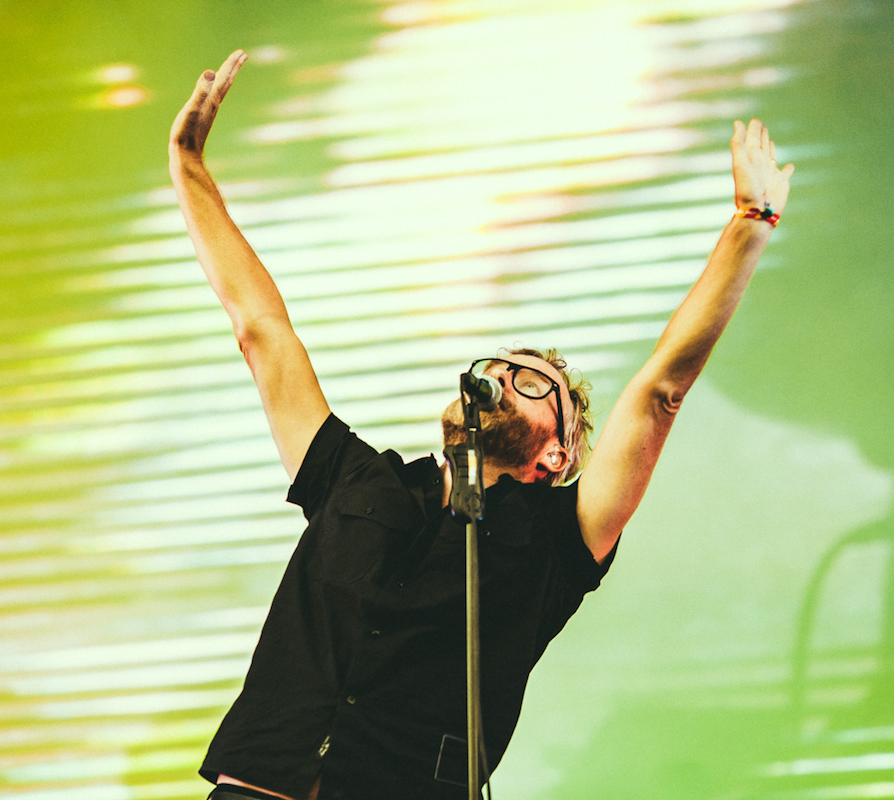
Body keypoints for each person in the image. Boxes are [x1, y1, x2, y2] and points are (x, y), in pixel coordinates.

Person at [170, 49, 794, 800]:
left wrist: (751, 223)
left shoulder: (560, 538)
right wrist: (189, 169)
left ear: (555, 453)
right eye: (497, 365)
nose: (500, 376)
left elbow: (661, 388)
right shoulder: (352, 478)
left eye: (531, 382)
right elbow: (261, 330)